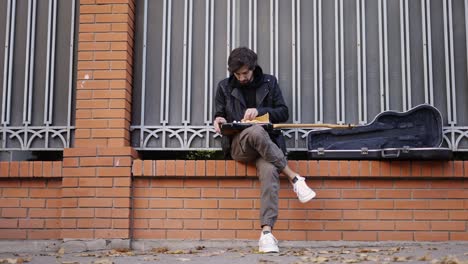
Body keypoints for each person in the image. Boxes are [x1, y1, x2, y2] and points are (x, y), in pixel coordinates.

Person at [213, 47, 316, 253]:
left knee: (270, 171)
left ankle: (267, 234)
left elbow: (283, 112)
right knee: (255, 131)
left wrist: (261, 111)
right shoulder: (224, 87)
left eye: (245, 73)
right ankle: (295, 178)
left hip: (267, 148)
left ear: (253, 68)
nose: (241, 78)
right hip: (240, 146)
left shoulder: (269, 82)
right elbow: (219, 115)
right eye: (237, 74)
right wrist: (219, 120)